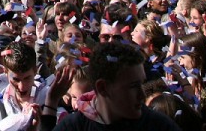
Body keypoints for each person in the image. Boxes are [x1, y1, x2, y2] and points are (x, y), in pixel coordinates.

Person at [42, 43, 179, 131]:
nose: (142, 95)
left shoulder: (158, 125)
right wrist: (51, 104)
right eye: (132, 86)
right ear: (102, 88)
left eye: (141, 84)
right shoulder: (74, 127)